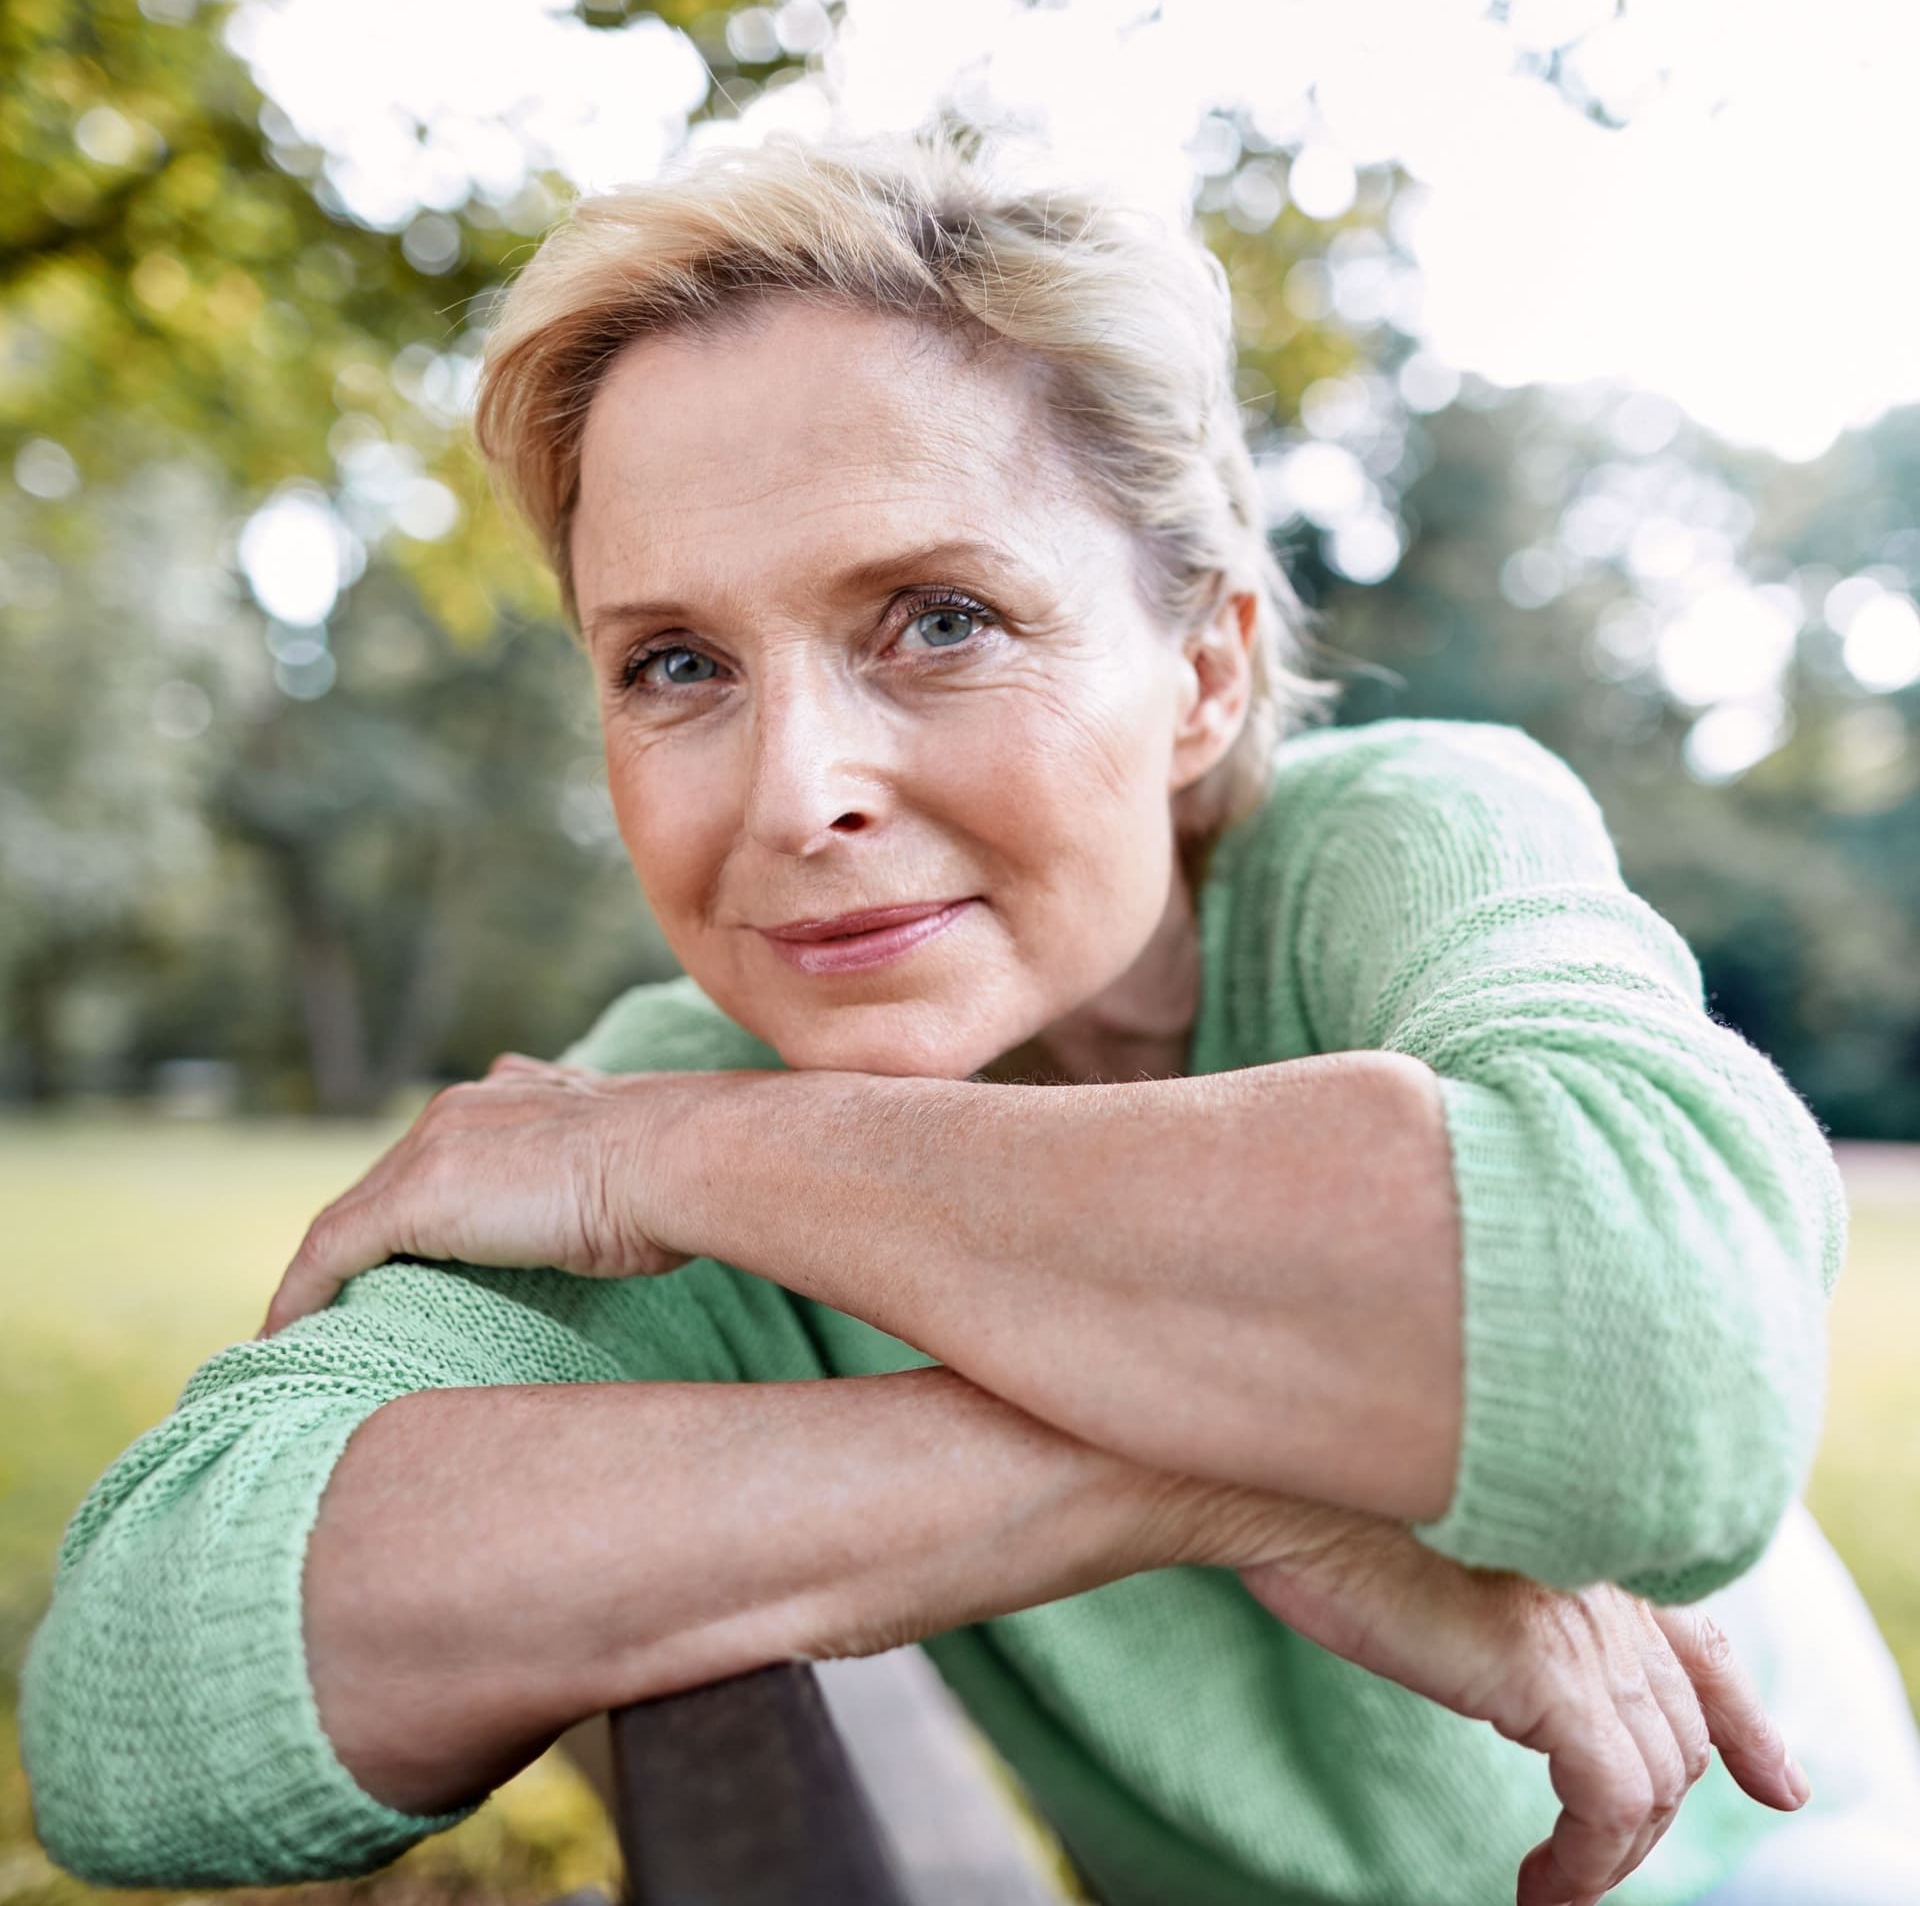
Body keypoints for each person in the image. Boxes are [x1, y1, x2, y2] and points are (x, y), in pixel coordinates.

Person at [18, 128, 1920, 1906]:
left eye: (937, 618)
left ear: (1201, 667)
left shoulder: (1392, 846)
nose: (793, 796)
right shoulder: (675, 1119)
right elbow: (140, 1687)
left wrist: (667, 1153)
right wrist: (1206, 1471)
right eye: (676, 663)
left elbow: (1668, 1360)